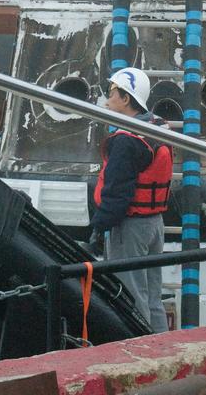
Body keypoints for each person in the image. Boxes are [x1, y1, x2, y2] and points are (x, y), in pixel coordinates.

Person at [89, 67, 171, 331]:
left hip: (130, 227)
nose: (107, 99)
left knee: (131, 298)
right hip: (155, 225)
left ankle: (141, 355)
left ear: (126, 98)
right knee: (153, 297)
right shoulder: (158, 128)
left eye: (111, 93)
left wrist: (99, 228)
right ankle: (162, 349)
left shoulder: (126, 142)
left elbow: (116, 193)